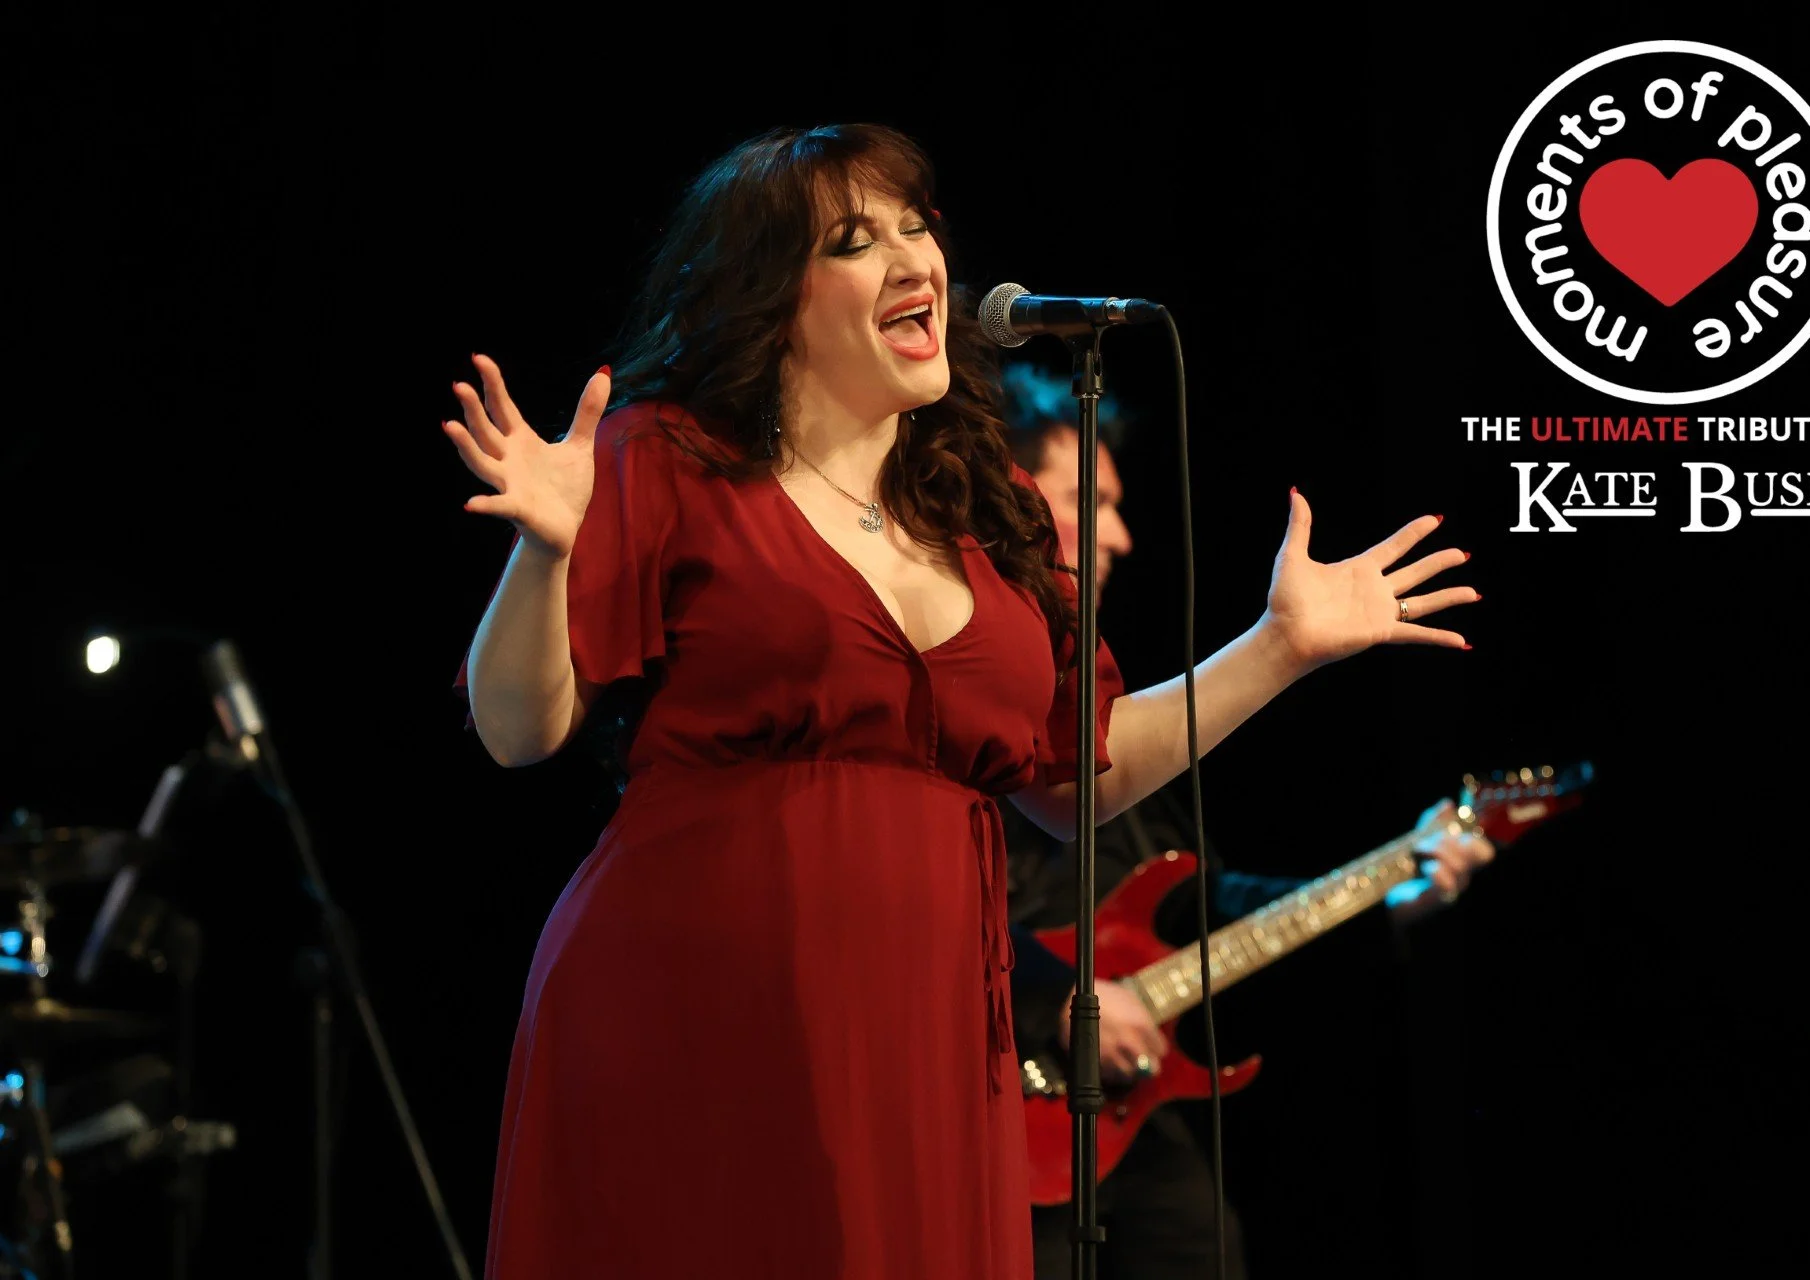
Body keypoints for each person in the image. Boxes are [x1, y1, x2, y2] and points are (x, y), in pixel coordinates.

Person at [443, 124, 1477, 1280]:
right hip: (699, 990)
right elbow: (516, 728)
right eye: (853, 239)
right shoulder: (671, 457)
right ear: (772, 298)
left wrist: (1279, 647)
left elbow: (1077, 782)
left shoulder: (990, 520)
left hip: (930, 1023)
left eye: (916, 224)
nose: (913, 258)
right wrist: (542, 553)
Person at [996, 364, 1493, 1280]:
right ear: (1004, 498)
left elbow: (1199, 898)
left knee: (1205, 1248)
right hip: (986, 1091)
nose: (1120, 535)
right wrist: (1049, 1001)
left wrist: (1393, 884)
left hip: (1116, 1110)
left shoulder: (1103, 688)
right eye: (1085, 500)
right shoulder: (963, 660)